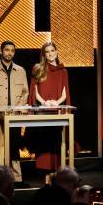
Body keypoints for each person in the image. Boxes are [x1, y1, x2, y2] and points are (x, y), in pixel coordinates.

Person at [0, 40, 29, 183]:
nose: (9, 53)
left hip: (14, 116)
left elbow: (25, 93)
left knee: (13, 148)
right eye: (7, 50)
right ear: (1, 51)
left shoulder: (21, 71)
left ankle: (16, 178)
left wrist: (18, 108)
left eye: (12, 50)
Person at [28, 42, 71, 171]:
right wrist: (44, 102)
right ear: (44, 55)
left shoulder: (63, 71)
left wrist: (56, 103)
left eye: (52, 50)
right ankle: (46, 176)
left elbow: (65, 93)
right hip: (42, 111)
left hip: (56, 111)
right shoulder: (38, 68)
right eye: (47, 51)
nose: (50, 53)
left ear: (56, 52)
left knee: (56, 143)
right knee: (44, 143)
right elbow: (34, 90)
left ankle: (56, 173)